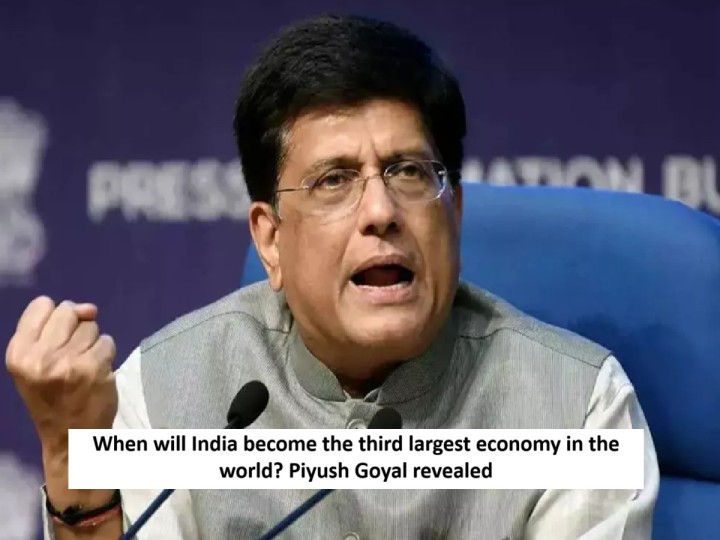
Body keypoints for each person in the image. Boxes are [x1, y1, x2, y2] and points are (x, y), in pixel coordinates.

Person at [5, 13, 658, 540]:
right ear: (270, 239)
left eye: (409, 171)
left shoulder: (579, 408)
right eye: (334, 180)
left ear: (454, 212)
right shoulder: (164, 391)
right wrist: (69, 455)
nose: (380, 212)